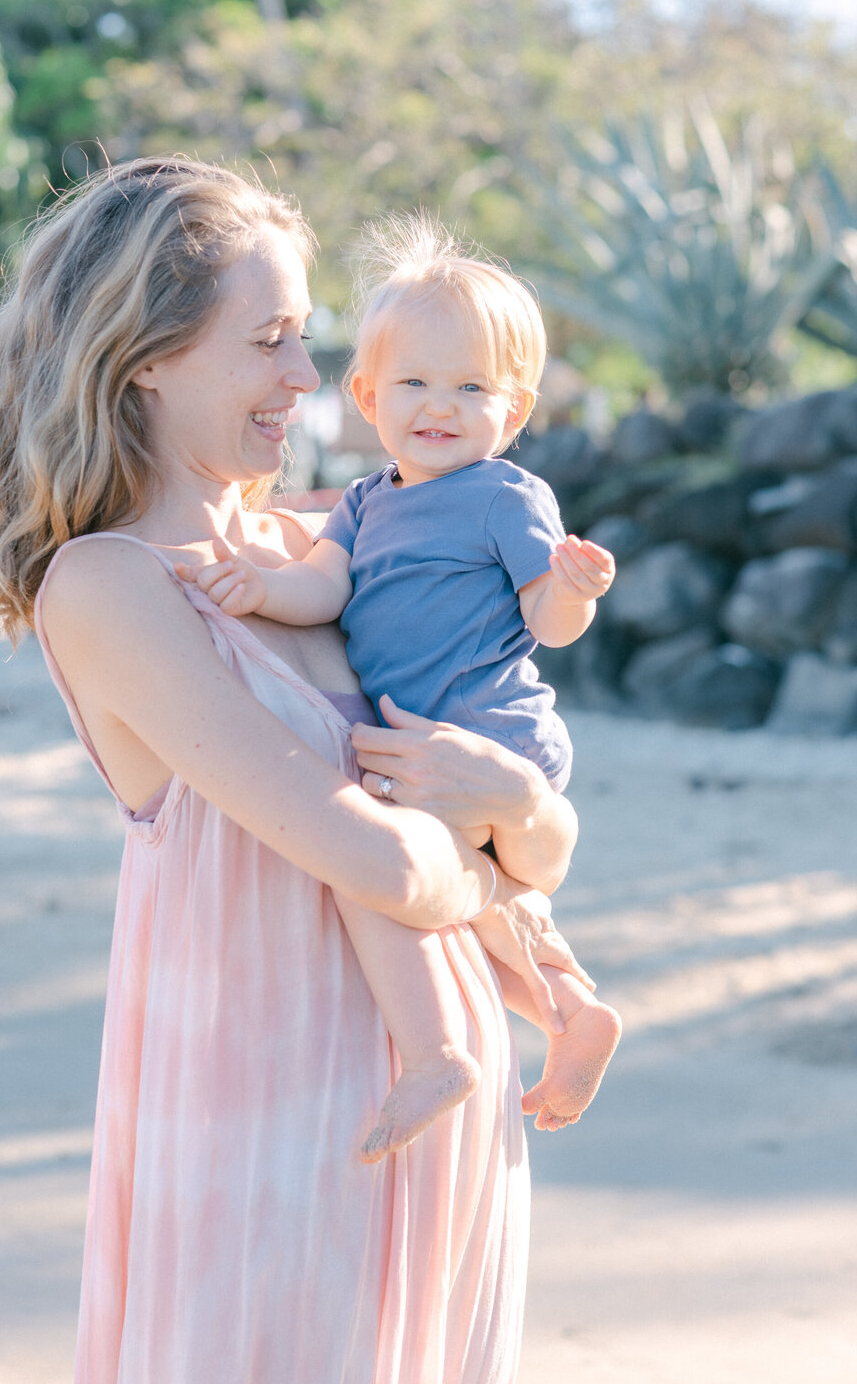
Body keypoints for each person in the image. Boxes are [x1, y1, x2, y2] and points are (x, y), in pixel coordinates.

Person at [0, 156, 590, 1384]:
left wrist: (518, 805)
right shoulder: (114, 584)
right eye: (271, 342)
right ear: (147, 358)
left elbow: (543, 844)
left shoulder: (325, 544)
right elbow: (384, 856)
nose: (308, 380)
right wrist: (489, 836)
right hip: (274, 1124)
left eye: (308, 341)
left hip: (445, 1117)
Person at [177, 217, 622, 1164]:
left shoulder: (504, 496)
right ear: (368, 394)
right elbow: (326, 587)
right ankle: (572, 1006)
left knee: (377, 873)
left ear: (514, 409)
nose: (441, 405)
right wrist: (261, 587)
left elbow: (545, 620)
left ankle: (434, 1052)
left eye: (472, 387)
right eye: (415, 382)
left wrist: (571, 590)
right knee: (486, 895)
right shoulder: (367, 502)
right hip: (428, 736)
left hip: (488, 730)